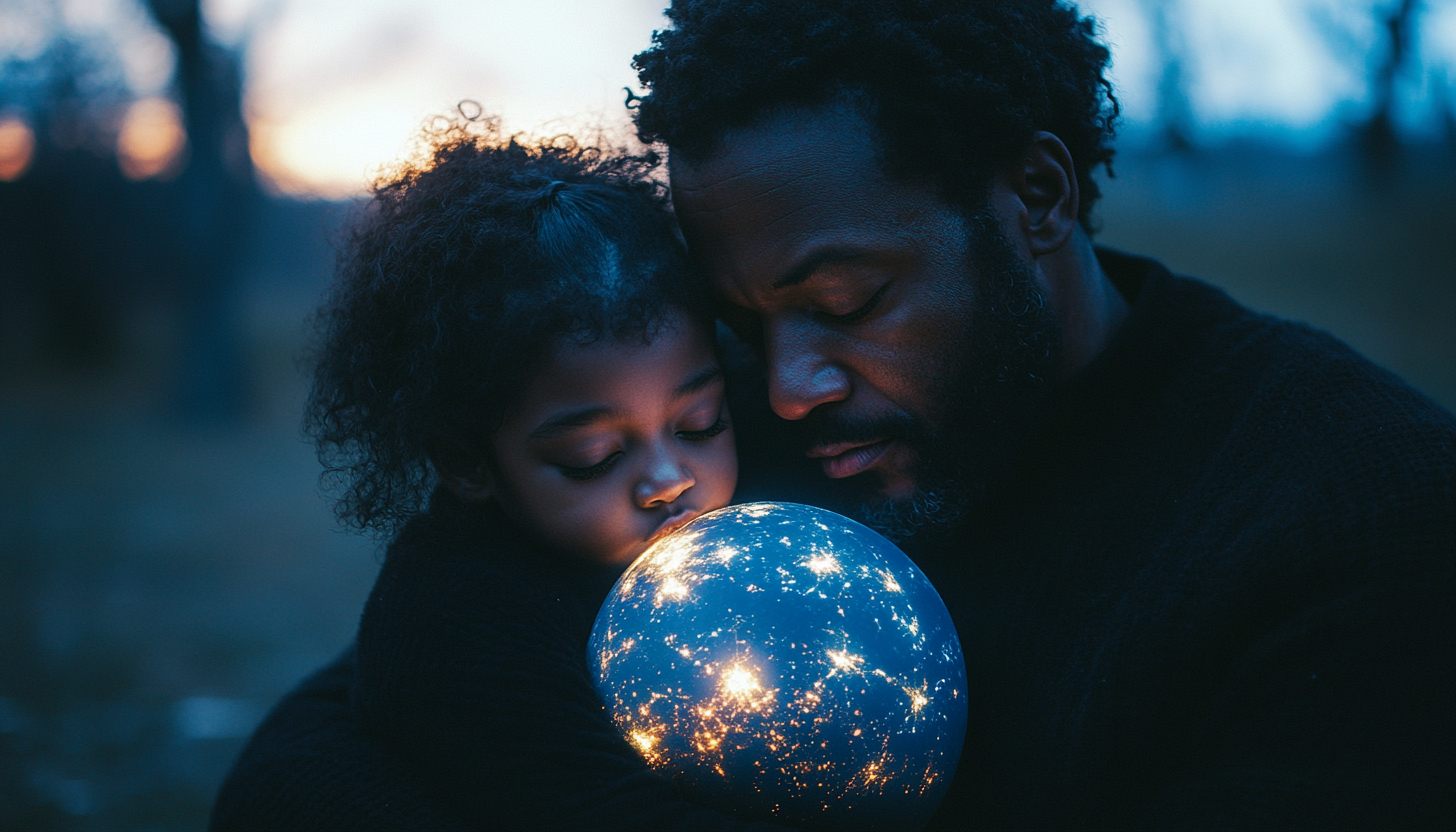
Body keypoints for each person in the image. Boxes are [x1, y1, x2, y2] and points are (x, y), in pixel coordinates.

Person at [215, 2, 1454, 829]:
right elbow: (347, 719)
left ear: (1036, 194)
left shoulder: (1360, 517)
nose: (790, 383)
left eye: (848, 299)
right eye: (745, 324)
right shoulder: (740, 429)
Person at [212, 117, 780, 830]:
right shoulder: (455, 623)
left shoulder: (777, 470)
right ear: (466, 463)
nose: (668, 477)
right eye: (594, 459)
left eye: (700, 422)